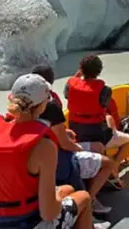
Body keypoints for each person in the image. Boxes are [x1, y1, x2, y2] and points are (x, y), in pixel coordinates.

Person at [0, 73, 109, 229]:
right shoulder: (44, 146)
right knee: (83, 198)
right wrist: (57, 197)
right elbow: (48, 214)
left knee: (68, 189)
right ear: (43, 105)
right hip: (29, 222)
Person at [31, 64, 113, 215]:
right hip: (60, 156)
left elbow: (49, 129)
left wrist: (65, 131)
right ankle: (90, 200)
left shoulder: (26, 107)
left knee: (95, 149)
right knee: (107, 162)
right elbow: (65, 144)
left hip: (41, 157)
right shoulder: (51, 105)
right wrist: (77, 147)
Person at [64, 54, 129, 189]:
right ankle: (114, 167)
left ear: (81, 69)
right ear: (99, 71)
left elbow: (68, 92)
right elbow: (107, 107)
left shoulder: (70, 85)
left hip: (76, 134)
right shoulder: (104, 90)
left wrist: (79, 74)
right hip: (97, 135)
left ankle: (111, 168)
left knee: (108, 122)